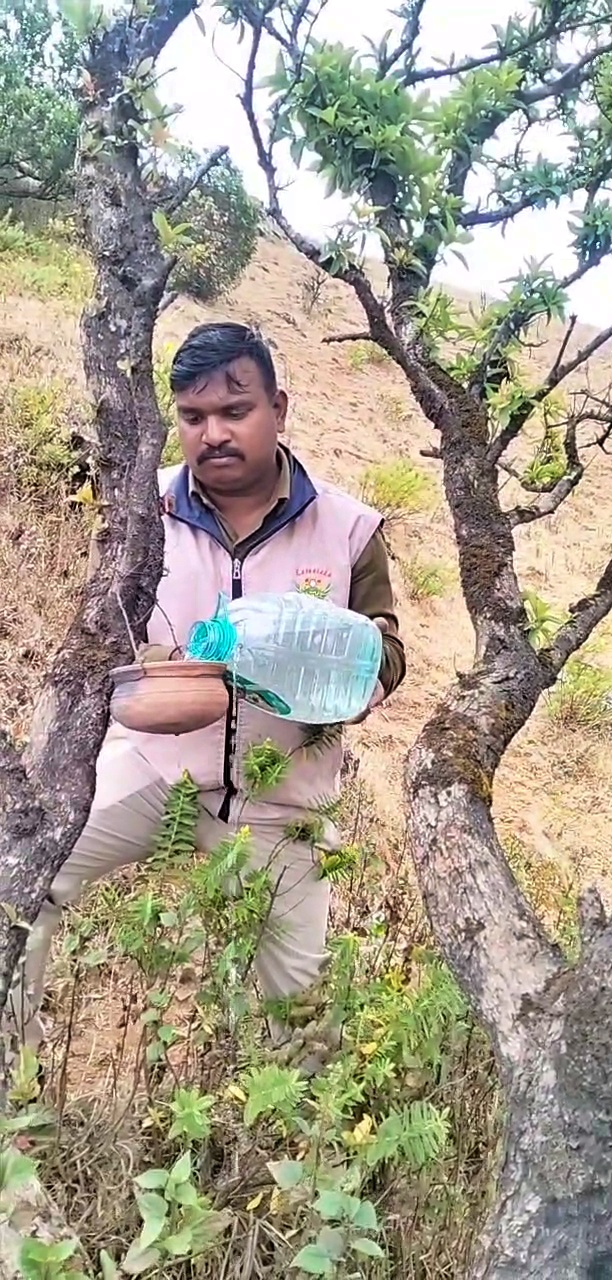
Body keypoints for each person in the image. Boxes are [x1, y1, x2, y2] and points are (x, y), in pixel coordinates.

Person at [9, 321, 405, 1057]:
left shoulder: (347, 528)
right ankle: (14, 1125)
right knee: (15, 890)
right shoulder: (143, 510)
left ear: (278, 409)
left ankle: (296, 1154)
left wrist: (352, 677)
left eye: (235, 410)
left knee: (301, 1014)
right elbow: (105, 626)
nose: (213, 433)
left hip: (282, 795)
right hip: (152, 768)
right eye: (193, 417)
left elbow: (387, 648)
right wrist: (165, 662)